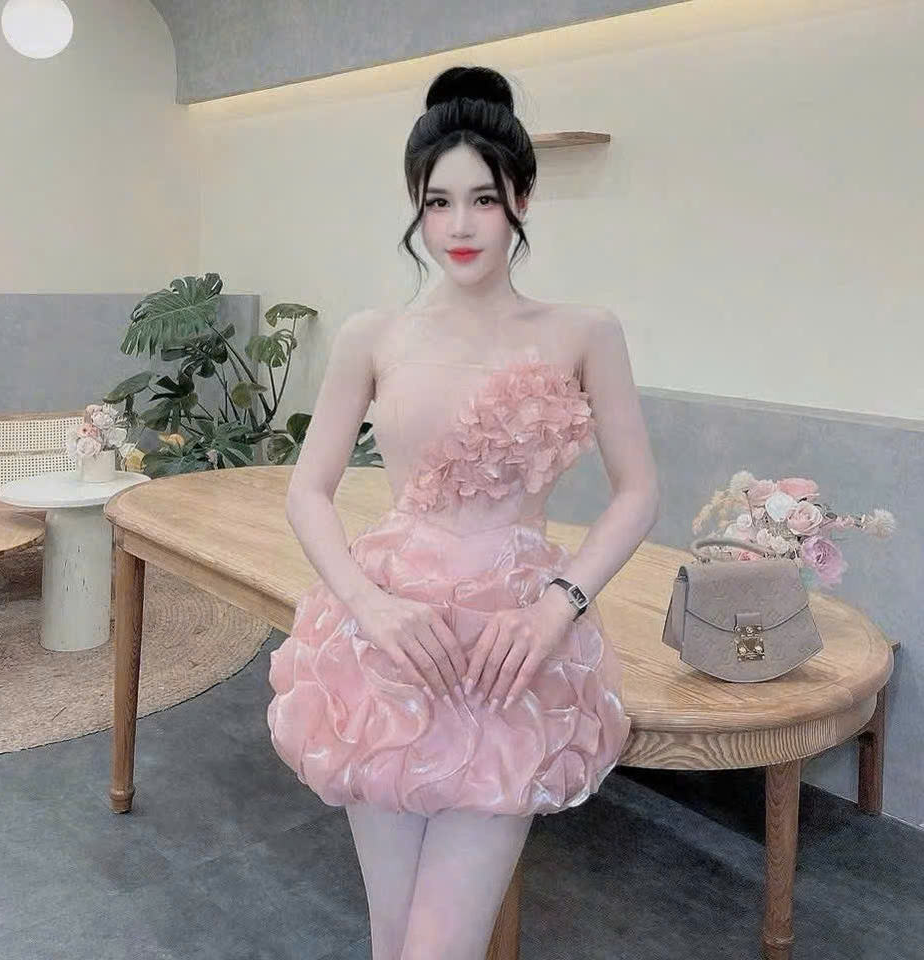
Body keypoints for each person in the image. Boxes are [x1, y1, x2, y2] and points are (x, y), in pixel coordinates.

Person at [267, 64, 660, 960]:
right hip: (389, 642)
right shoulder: (373, 335)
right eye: (437, 202)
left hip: (508, 650)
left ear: (521, 197)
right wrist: (369, 606)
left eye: (482, 199)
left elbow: (638, 490)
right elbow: (306, 489)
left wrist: (559, 605)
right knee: (391, 937)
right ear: (415, 204)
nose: (459, 226)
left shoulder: (583, 331)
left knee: (440, 945)